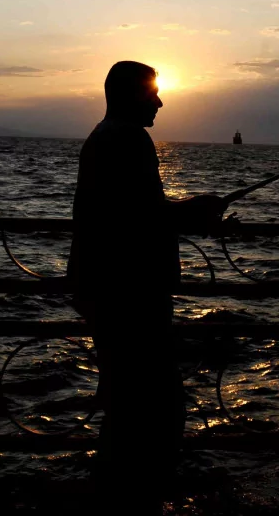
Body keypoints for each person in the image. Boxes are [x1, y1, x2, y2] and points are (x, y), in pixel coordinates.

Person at [68, 60, 226, 512]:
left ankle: (118, 491)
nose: (160, 101)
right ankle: (137, 496)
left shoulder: (103, 136)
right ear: (129, 95)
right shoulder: (129, 139)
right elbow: (142, 217)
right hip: (129, 293)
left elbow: (131, 210)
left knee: (125, 401)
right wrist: (197, 209)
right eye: (152, 93)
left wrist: (188, 210)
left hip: (105, 286)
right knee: (155, 405)